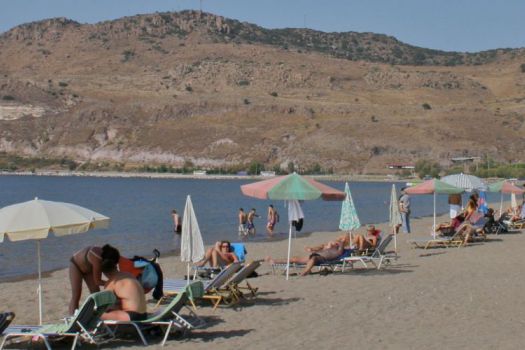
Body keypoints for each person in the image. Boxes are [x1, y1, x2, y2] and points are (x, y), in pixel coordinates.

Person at [99, 245, 148, 321]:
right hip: (144, 314)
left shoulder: (111, 283)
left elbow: (107, 307)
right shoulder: (128, 275)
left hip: (131, 316)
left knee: (98, 315)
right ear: (116, 263)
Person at [265, 234, 349, 276]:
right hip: (314, 255)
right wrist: (311, 249)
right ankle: (273, 261)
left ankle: (305, 271)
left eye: (340, 240)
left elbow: (341, 247)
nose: (337, 241)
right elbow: (320, 247)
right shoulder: (329, 247)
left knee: (314, 259)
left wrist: (339, 242)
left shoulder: (339, 250)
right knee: (294, 259)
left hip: (322, 259)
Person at [68, 245, 106, 315]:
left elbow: (111, 275)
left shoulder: (105, 259)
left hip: (88, 268)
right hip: (76, 265)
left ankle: (96, 315)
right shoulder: (97, 258)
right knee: (76, 294)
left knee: (96, 292)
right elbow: (97, 281)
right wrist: (110, 283)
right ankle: (72, 317)